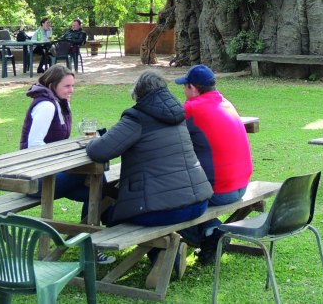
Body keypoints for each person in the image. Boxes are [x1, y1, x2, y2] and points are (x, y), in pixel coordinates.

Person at [86, 71, 212, 230]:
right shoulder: (178, 115)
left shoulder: (136, 118)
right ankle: (167, 252)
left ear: (138, 94)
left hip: (163, 209)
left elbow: (99, 151)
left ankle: (91, 245)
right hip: (199, 202)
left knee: (107, 211)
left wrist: (91, 141)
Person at [18, 64, 115, 264]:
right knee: (97, 181)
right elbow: (33, 146)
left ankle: (90, 242)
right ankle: (94, 244)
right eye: (67, 86)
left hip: (53, 174)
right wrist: (65, 160)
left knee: (96, 190)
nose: (71, 90)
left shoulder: (60, 103)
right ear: (53, 85)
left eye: (73, 86)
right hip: (35, 179)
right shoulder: (46, 105)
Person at [175, 64, 253, 262]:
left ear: (192, 88)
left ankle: (210, 236)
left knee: (167, 200)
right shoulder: (226, 102)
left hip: (219, 191)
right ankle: (212, 228)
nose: (183, 92)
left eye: (184, 87)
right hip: (241, 186)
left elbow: (166, 132)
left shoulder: (191, 107)